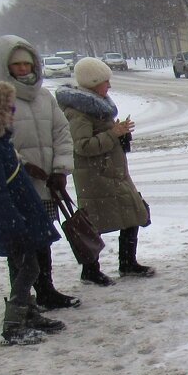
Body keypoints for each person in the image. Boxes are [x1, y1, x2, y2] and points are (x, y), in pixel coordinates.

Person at [0, 82, 65, 345]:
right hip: (12, 221)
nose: (13, 113)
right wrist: (13, 222)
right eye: (8, 109)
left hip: (22, 218)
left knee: (28, 266)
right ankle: (13, 325)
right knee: (28, 268)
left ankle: (28, 314)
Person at [0, 35, 80, 309]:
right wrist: (19, 164)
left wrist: (60, 169)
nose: (23, 69)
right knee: (21, 245)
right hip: (17, 185)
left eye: (27, 63)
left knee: (43, 239)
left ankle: (46, 290)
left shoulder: (44, 97)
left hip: (47, 185)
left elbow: (62, 132)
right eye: (16, 64)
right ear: (5, 65)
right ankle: (22, 298)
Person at [56, 57, 154, 282]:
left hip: (112, 173)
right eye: (105, 81)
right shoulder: (78, 112)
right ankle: (90, 271)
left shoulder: (98, 106)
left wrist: (120, 134)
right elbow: (82, 146)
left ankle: (128, 263)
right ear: (92, 83)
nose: (109, 86)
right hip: (96, 177)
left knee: (133, 215)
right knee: (93, 225)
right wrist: (114, 134)